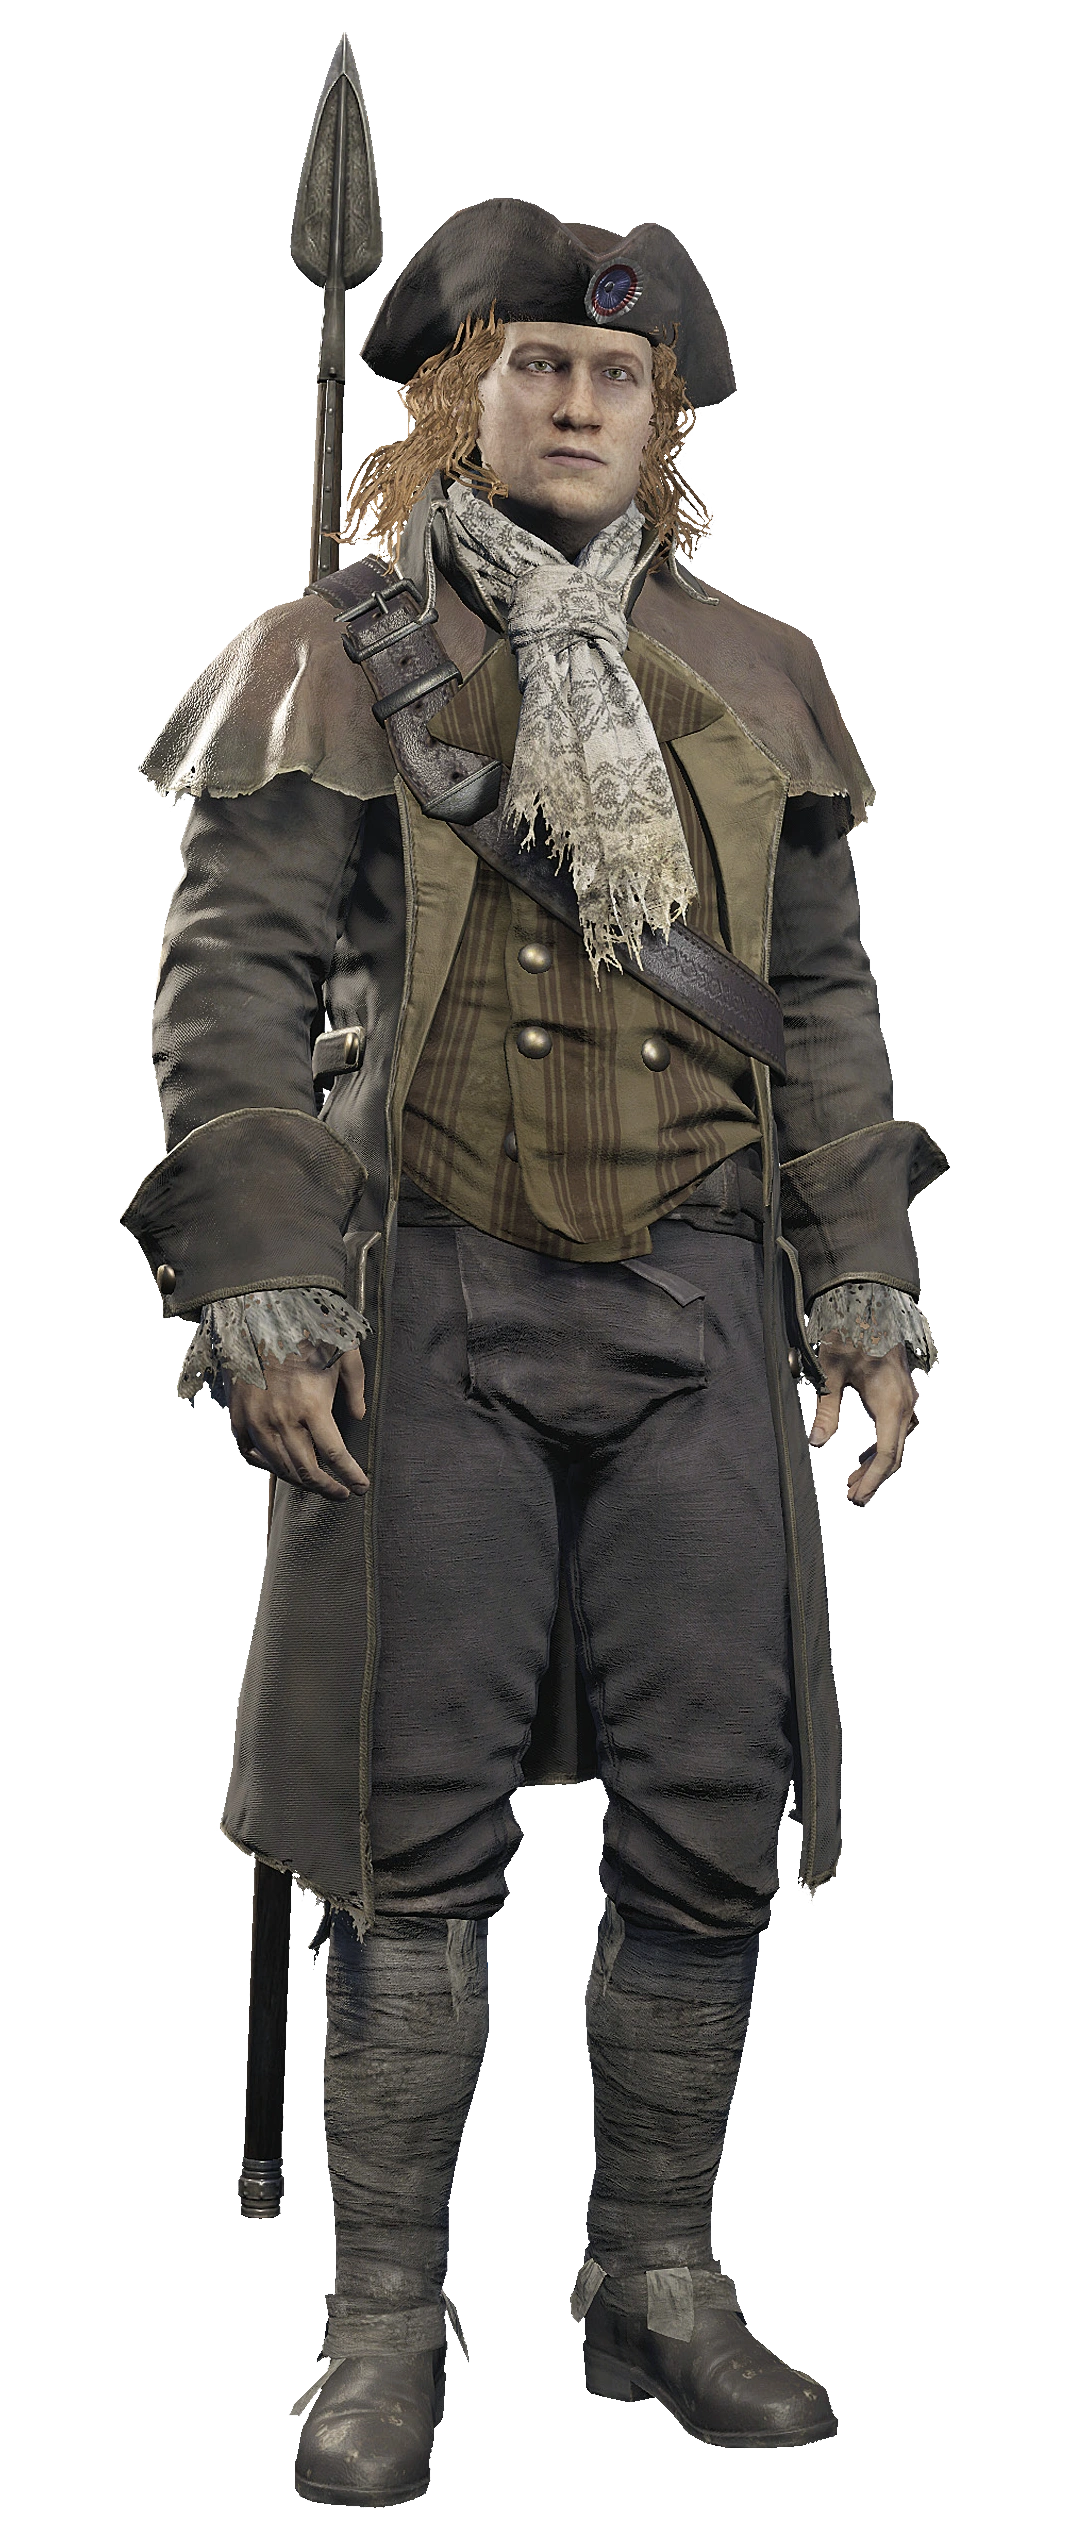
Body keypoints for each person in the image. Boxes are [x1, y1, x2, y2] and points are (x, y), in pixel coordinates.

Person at [123, 199, 946, 2511]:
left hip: (697, 1303)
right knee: (407, 1824)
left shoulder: (757, 670)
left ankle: (654, 2272)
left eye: (615, 379)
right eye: (534, 368)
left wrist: (862, 1274)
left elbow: (817, 998)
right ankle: (386, 2309)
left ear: (659, 420)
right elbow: (230, 987)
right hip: (430, 1295)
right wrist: (265, 1277)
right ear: (453, 397)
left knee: (709, 1802)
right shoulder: (330, 651)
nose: (576, 404)